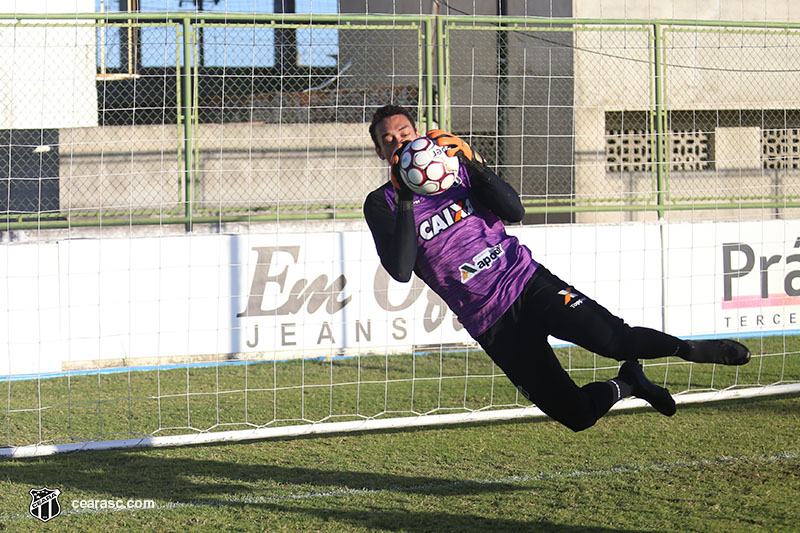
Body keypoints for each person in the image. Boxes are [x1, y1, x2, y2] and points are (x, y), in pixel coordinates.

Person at [363, 104, 750, 432]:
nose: (398, 141)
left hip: (529, 284)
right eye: (388, 139)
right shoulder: (382, 203)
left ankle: (690, 349)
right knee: (575, 415)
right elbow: (400, 270)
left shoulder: (457, 171)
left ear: (419, 133)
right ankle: (628, 384)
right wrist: (406, 196)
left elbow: (515, 211)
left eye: (404, 131)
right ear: (381, 152)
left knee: (617, 341)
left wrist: (471, 159)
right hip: (491, 323)